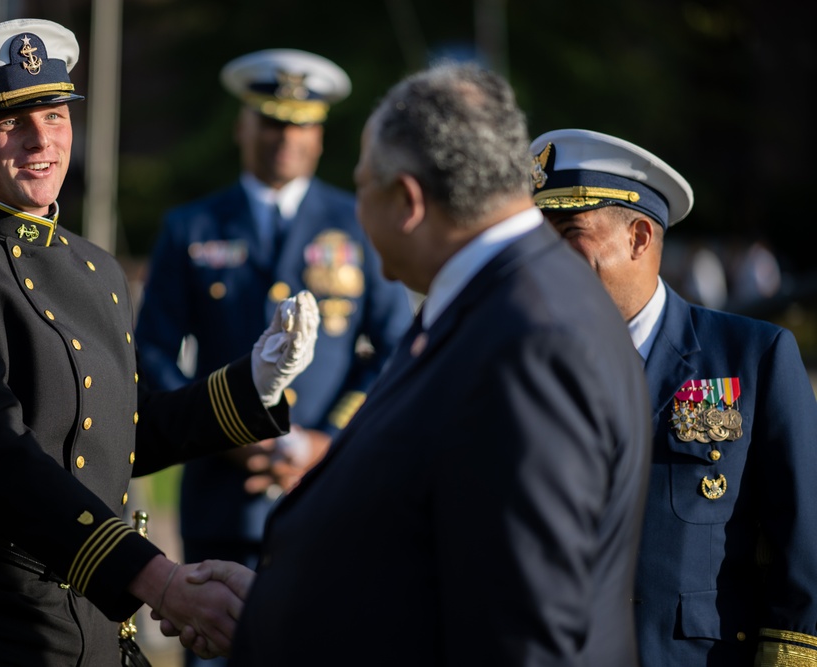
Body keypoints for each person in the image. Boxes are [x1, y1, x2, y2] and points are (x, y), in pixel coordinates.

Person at [0, 19, 316, 666]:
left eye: (53, 113)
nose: (41, 139)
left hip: (93, 607)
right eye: (7, 122)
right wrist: (158, 579)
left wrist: (252, 386)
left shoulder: (93, 267)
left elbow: (119, 432)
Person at [176, 62, 653, 665]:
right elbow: (430, 561)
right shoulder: (498, 304)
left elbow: (526, 636)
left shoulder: (533, 339)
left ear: (406, 200)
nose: (355, 214)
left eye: (362, 187)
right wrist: (279, 609)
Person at [133, 48, 413, 664]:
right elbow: (151, 350)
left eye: (300, 122)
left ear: (319, 134)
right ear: (242, 125)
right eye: (271, 120)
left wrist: (328, 441)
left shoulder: (359, 222)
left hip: (329, 502)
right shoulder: (191, 225)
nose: (285, 136)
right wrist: (216, 427)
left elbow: (397, 350)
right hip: (219, 507)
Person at [530, 128, 817, 666]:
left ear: (639, 238)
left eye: (569, 233)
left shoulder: (751, 356)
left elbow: (803, 538)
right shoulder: (524, 364)